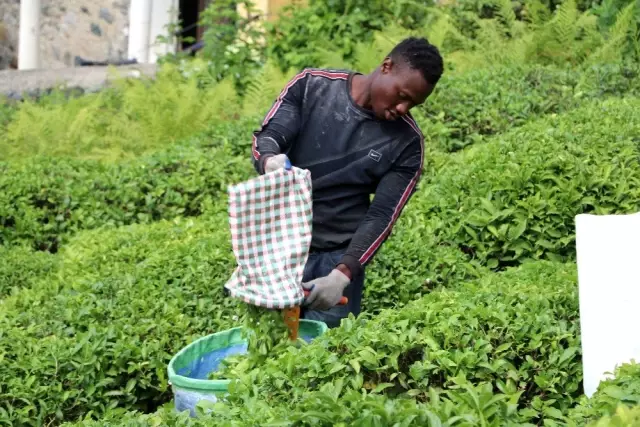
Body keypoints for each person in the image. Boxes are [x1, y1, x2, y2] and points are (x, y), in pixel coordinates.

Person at [251, 37, 444, 328]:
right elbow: (269, 137)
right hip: (280, 248)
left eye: (413, 103)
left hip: (336, 257)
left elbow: (381, 216)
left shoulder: (407, 144)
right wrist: (270, 161)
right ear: (386, 66)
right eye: (402, 94)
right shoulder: (311, 86)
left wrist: (342, 274)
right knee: (267, 344)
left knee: (323, 356)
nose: (403, 107)